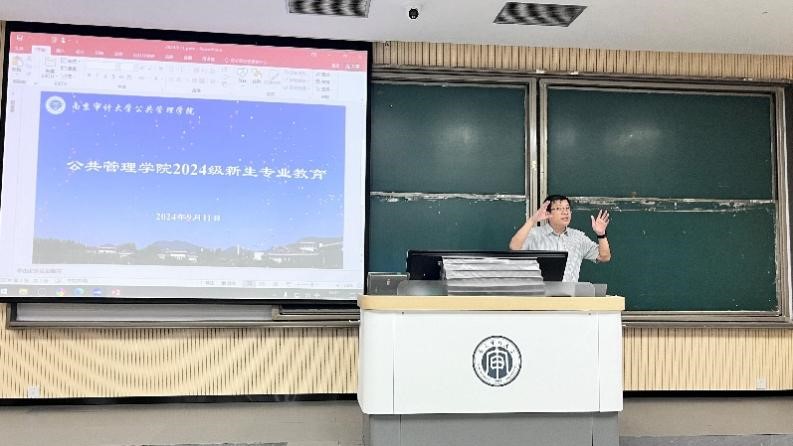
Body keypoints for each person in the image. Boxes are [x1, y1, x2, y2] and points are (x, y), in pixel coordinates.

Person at [509, 194, 611, 282]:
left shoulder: (578, 237)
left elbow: (604, 256)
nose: (565, 212)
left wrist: (601, 234)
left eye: (567, 208)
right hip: (539, 295)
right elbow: (514, 247)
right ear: (548, 213)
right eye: (559, 209)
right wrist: (532, 220)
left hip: (569, 297)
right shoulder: (535, 234)